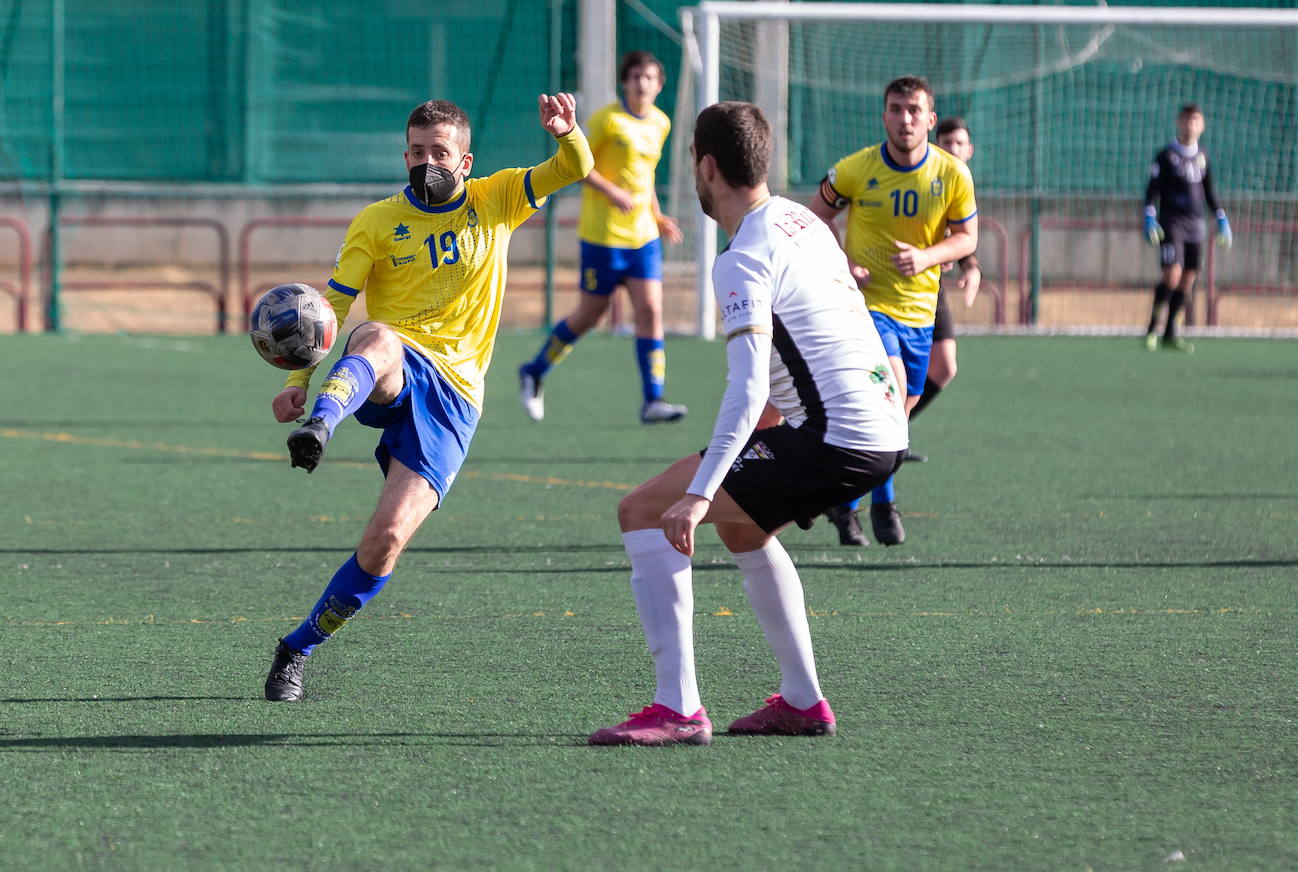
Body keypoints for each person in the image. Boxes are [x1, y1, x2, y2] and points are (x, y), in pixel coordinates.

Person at [588, 101, 906, 746]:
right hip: (884, 428)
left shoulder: (742, 257)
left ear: (705, 167)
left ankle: (677, 710)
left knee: (647, 510)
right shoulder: (800, 219)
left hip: (836, 438)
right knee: (744, 527)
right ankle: (801, 700)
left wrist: (699, 494)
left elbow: (750, 382)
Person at [262, 94, 593, 702]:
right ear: (404, 155)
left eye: (439, 152)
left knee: (384, 541)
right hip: (390, 368)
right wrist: (296, 381)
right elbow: (331, 308)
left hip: (455, 399)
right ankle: (320, 427)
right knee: (379, 336)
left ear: (465, 160)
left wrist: (566, 132)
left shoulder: (498, 198)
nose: (426, 163)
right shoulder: (377, 220)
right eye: (416, 152)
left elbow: (574, 168)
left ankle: (296, 648)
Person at [809, 76, 977, 547]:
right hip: (869, 308)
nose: (905, 118)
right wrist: (842, 262)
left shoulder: (952, 175)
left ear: (931, 119)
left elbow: (968, 238)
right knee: (892, 399)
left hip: (922, 312)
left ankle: (842, 503)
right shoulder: (855, 170)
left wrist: (926, 257)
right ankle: (884, 506)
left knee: (895, 419)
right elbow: (816, 216)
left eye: (914, 110)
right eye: (896, 109)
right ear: (883, 115)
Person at [517, 51, 687, 425]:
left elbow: (646, 177)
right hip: (603, 235)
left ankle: (653, 400)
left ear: (660, 85)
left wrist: (657, 216)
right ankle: (535, 370)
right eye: (636, 76)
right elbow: (580, 167)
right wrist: (612, 192)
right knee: (589, 315)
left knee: (651, 311)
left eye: (650, 77)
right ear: (625, 82)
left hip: (642, 238)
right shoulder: (607, 120)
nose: (642, 83)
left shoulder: (661, 122)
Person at [906, 116, 983, 463]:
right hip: (900, 284)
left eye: (958, 144)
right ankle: (877, 442)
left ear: (970, 150)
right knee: (895, 373)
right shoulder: (925, 178)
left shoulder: (959, 183)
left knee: (944, 366)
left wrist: (971, 267)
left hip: (931, 285)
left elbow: (962, 236)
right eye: (946, 143)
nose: (952, 149)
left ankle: (891, 432)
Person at [1142, 103, 1232, 353]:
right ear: (1179, 123)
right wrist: (1149, 217)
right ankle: (1152, 328)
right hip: (1172, 223)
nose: (1190, 125)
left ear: (1202, 125)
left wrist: (1222, 219)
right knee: (1172, 275)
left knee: (1188, 280)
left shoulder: (1202, 155)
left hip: (1196, 226)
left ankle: (1171, 332)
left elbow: (1209, 192)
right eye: (1186, 120)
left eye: (1195, 120)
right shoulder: (1166, 155)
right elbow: (1151, 192)